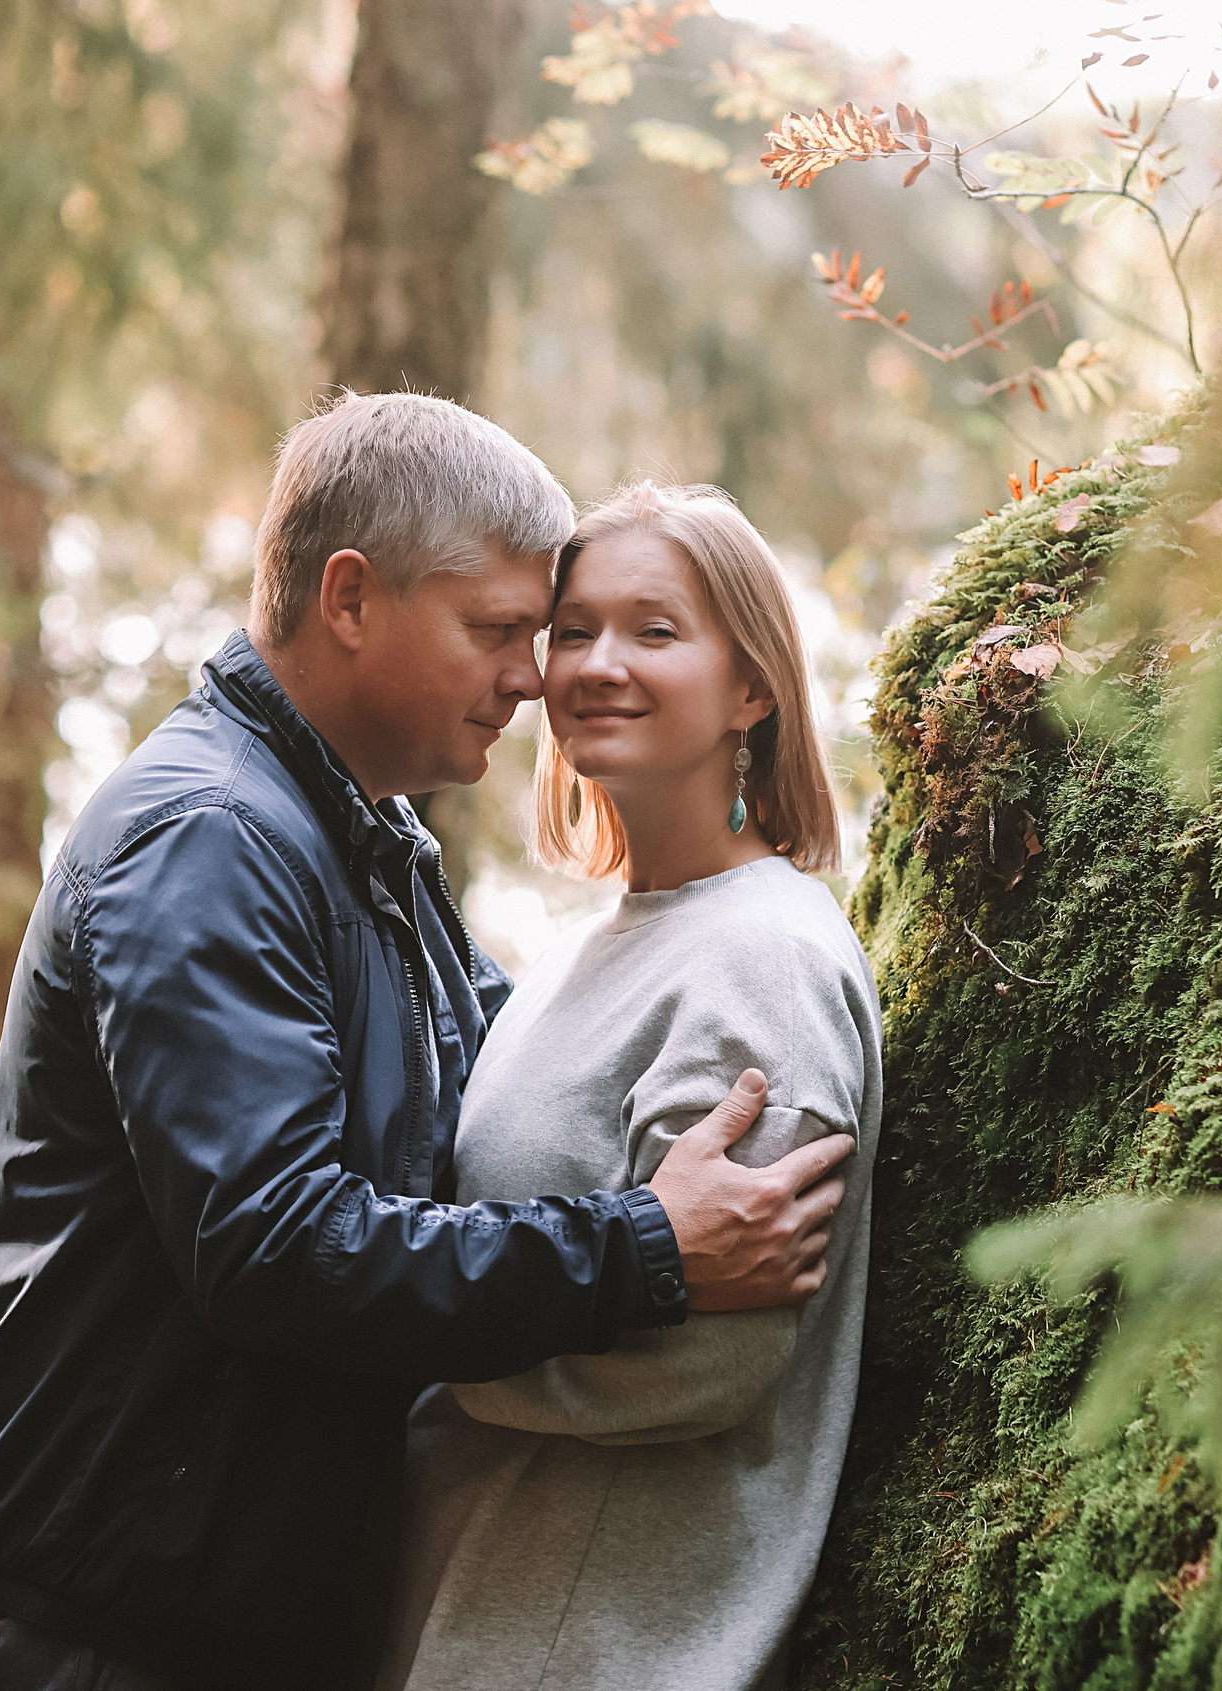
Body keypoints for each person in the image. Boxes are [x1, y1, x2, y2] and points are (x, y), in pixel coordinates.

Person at [0, 396, 855, 1691]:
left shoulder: (366, 844)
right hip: (116, 1631)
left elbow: (515, 1086)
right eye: (503, 629)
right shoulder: (213, 834)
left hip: (233, 1617)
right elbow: (280, 1246)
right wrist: (644, 1245)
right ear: (350, 598)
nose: (536, 677)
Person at [380, 482, 882, 1691]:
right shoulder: (585, 952)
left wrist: (387, 1342)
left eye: (654, 631)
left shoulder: (763, 956)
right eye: (572, 630)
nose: (596, 664)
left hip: (609, 1643)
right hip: (475, 1612)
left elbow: (709, 1363)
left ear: (751, 687)